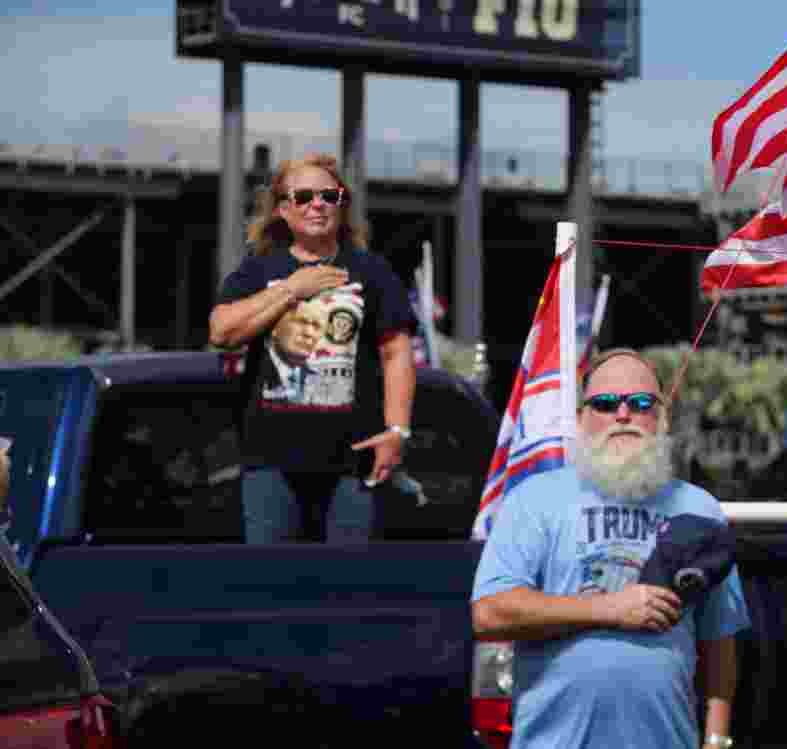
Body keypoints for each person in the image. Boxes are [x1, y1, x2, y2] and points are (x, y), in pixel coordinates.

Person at [471, 348, 750, 749]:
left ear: (663, 417)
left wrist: (717, 739)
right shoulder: (533, 500)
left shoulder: (699, 507)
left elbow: (720, 638)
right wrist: (611, 609)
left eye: (640, 403)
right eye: (604, 403)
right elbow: (489, 612)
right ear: (582, 420)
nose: (623, 415)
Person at [210, 153, 416, 543]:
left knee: (348, 589)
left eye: (329, 195)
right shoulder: (257, 270)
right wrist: (292, 289)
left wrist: (397, 431)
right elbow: (222, 332)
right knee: (271, 589)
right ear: (284, 210)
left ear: (342, 204)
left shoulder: (371, 271)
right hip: (270, 462)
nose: (317, 204)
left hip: (353, 463)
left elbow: (396, 353)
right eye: (303, 197)